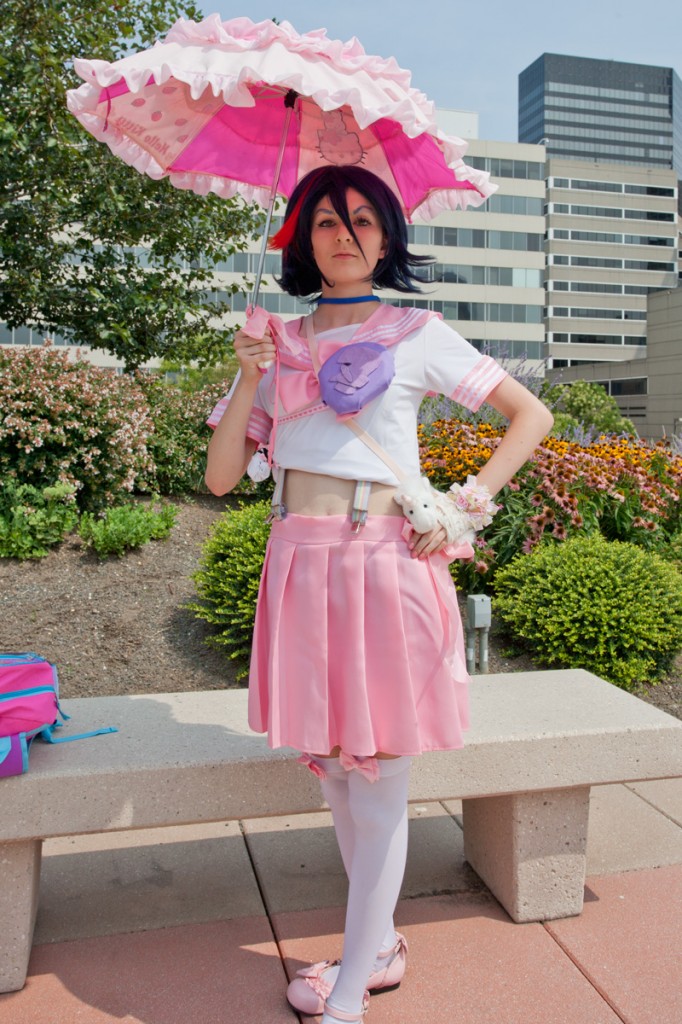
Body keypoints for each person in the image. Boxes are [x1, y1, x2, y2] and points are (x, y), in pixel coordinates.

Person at [205, 165, 553, 1024]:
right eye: (325, 221)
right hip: (298, 561)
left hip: (382, 562)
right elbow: (219, 478)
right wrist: (248, 373)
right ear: (300, 238)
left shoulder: (415, 331)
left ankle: (352, 992)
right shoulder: (274, 341)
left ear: (388, 235)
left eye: (364, 218)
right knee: (334, 773)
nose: (346, 234)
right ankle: (380, 947)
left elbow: (530, 415)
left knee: (382, 780)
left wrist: (468, 502)